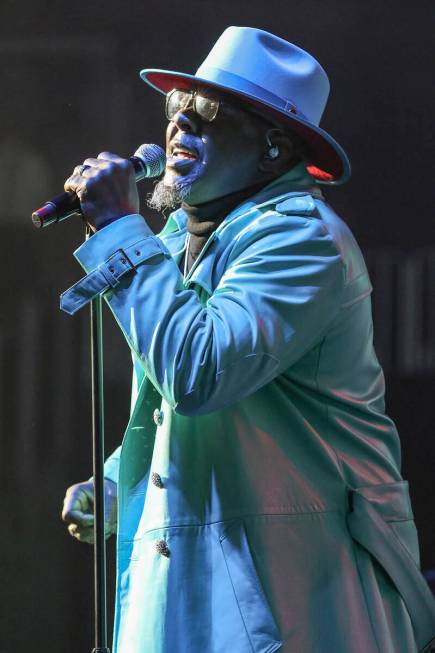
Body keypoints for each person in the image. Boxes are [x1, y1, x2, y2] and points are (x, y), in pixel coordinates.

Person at [60, 26, 435, 653]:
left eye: (207, 117)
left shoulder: (303, 240)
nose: (179, 128)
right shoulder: (178, 241)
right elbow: (181, 412)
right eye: (177, 111)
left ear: (271, 149)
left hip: (294, 591)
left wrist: (121, 227)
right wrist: (119, 480)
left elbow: (200, 372)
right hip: (196, 588)